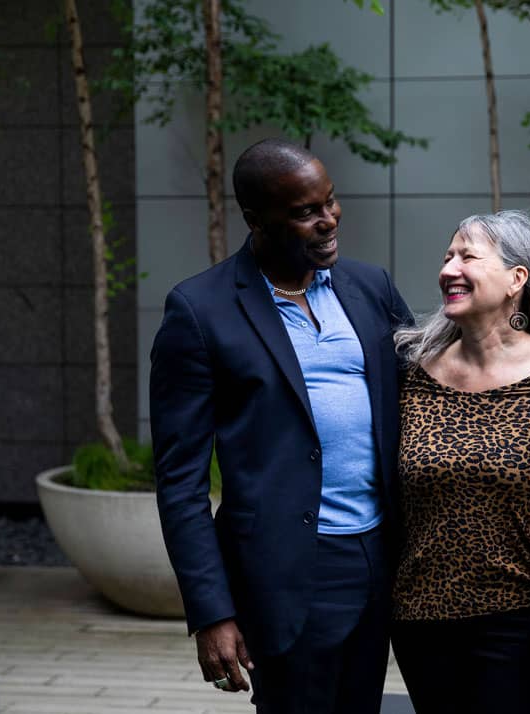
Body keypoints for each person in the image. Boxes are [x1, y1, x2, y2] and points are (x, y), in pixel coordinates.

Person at [149, 139, 411, 714]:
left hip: (378, 557)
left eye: (330, 201)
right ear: (256, 219)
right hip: (286, 573)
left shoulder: (371, 287)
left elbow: (425, 398)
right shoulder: (199, 311)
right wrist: (212, 612)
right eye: (304, 212)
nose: (328, 219)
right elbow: (180, 482)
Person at [391, 211, 530, 713]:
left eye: (468, 257)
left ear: (517, 279)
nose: (449, 269)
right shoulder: (408, 372)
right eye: (448, 257)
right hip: (420, 620)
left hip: (522, 618)